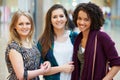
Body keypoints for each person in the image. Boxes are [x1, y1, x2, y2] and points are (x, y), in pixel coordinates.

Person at [71, 2, 120, 80]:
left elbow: (117, 64)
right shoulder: (78, 38)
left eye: (86, 19)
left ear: (93, 20)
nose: (81, 22)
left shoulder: (102, 37)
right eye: (79, 18)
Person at [5, 10, 51, 80]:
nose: (24, 27)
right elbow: (22, 76)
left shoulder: (33, 43)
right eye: (20, 24)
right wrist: (41, 71)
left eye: (27, 23)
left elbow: (35, 65)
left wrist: (45, 64)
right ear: (14, 26)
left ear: (31, 25)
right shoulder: (14, 47)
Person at [37, 4, 77, 80]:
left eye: (61, 16)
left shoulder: (74, 37)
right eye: (54, 17)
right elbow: (40, 70)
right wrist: (61, 68)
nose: (58, 19)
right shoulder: (43, 41)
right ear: (50, 21)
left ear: (66, 18)